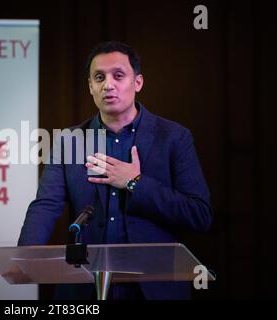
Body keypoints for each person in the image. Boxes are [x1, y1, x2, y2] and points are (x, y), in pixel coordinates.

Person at [17, 41, 213, 300]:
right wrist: (24, 257)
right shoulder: (70, 140)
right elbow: (46, 205)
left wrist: (135, 183)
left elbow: (199, 214)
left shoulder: (174, 138)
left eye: (118, 76)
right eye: (99, 77)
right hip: (85, 288)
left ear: (138, 82)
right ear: (90, 86)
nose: (108, 84)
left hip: (154, 288)